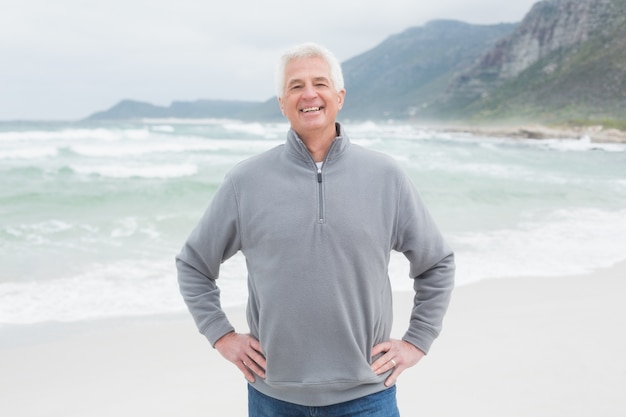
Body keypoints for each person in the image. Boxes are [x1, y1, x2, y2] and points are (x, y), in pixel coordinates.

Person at [176, 42, 455, 416]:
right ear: (281, 103)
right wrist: (221, 335)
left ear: (339, 97)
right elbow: (193, 264)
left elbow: (436, 263)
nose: (309, 94)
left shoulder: (386, 177)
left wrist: (417, 340)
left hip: (368, 395)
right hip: (273, 397)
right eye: (295, 86)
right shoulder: (245, 181)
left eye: (319, 83)